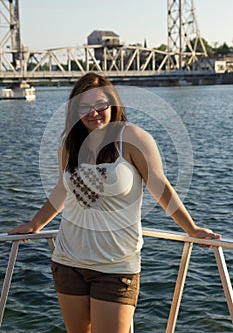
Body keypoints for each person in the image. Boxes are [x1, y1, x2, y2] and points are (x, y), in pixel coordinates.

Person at [8, 72, 221, 333]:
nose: (93, 112)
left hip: (116, 265)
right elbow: (63, 188)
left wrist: (191, 229)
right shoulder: (70, 143)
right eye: (84, 107)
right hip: (69, 260)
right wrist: (35, 223)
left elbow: (160, 187)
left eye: (100, 105)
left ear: (113, 105)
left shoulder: (132, 139)